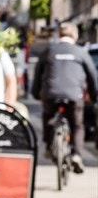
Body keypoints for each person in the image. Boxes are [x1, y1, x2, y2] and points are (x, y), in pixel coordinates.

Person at [31, 22, 98, 172]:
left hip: (51, 94)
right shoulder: (81, 52)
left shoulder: (49, 50)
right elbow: (92, 76)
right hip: (74, 95)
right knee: (77, 125)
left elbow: (37, 75)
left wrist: (36, 93)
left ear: (59, 35)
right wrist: (94, 97)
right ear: (75, 36)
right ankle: (76, 154)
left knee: (48, 117)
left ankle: (48, 146)